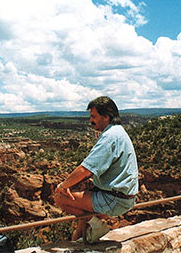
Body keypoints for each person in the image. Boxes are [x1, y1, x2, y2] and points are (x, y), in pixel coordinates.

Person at [53, 96, 139, 243]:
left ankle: (97, 226)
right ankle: (80, 240)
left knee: (60, 198)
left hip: (113, 200)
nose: (90, 120)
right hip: (125, 197)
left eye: (93, 116)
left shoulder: (110, 137)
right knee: (81, 225)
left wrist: (63, 186)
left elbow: (86, 169)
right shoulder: (118, 131)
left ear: (106, 116)